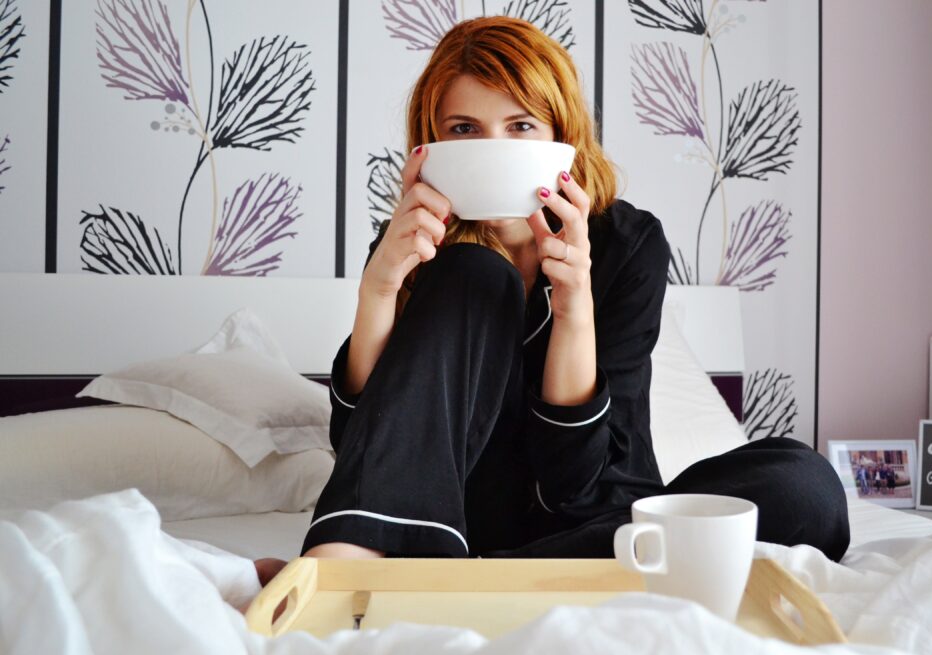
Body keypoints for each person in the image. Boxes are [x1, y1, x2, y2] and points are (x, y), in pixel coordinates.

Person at [255, 16, 849, 585]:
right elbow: (369, 450)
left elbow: (578, 479)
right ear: (430, 147)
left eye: (521, 126)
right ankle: (357, 559)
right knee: (473, 272)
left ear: (560, 138)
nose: (495, 147)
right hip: (454, 520)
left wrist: (573, 307)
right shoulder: (418, 247)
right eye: (464, 129)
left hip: (607, 517)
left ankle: (476, 577)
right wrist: (380, 287)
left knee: (804, 488)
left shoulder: (627, 244)